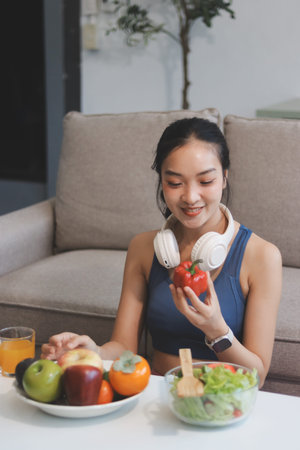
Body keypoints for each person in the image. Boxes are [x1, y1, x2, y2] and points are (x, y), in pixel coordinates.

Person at [41, 117, 282, 387]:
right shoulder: (143, 249)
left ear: (224, 178)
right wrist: (93, 352)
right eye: (175, 183)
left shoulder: (262, 256)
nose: (190, 197)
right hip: (158, 393)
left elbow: (258, 377)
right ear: (161, 182)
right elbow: (124, 348)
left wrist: (217, 331)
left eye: (206, 181)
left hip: (224, 399)